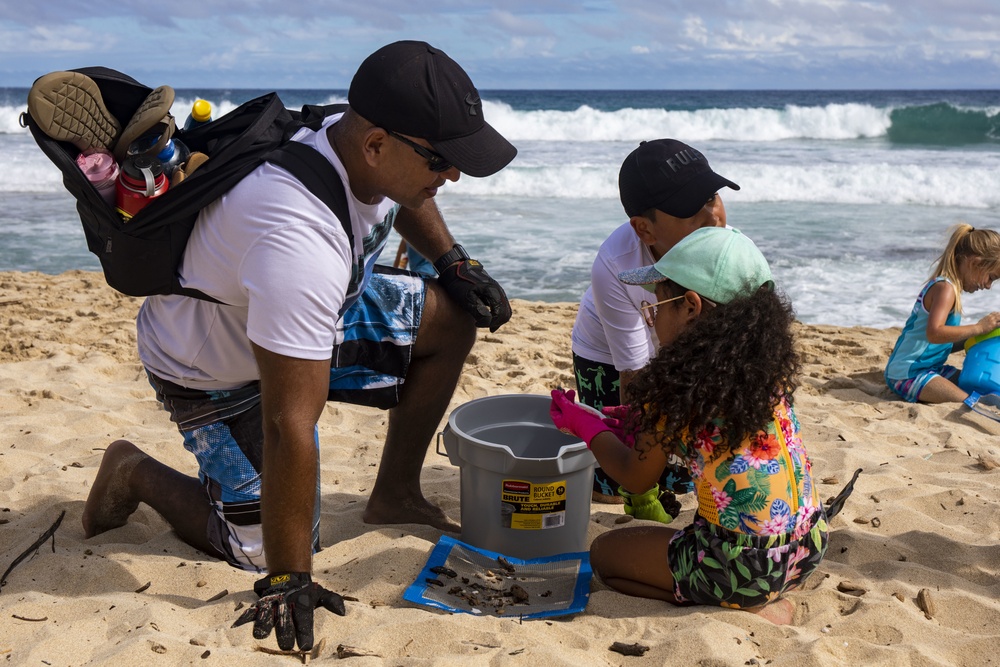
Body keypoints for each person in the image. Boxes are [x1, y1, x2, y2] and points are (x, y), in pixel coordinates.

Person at [81, 41, 517, 651]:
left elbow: (407, 194)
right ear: (376, 145)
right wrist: (290, 580)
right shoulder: (298, 239)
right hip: (212, 368)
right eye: (444, 159)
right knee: (267, 547)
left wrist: (453, 261)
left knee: (448, 322)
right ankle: (134, 472)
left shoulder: (351, 130)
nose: (455, 174)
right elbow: (290, 421)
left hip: (310, 311)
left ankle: (395, 495)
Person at [551, 227, 831, 624]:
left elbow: (635, 477)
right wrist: (640, 421)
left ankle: (744, 604)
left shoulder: (673, 386)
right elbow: (720, 442)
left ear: (691, 307)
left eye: (657, 305)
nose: (652, 319)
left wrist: (584, 425)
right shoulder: (767, 375)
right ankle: (761, 593)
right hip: (807, 547)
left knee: (605, 555)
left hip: (744, 565)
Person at [570, 138, 739, 516]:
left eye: (712, 197)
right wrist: (640, 470)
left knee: (684, 473)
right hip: (607, 355)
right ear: (644, 229)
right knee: (617, 482)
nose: (713, 217)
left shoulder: (725, 247)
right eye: (689, 211)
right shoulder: (615, 264)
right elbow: (635, 375)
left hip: (679, 345)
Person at [885, 223, 1000, 403]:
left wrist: (984, 334)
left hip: (933, 368)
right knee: (971, 402)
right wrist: (978, 327)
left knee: (980, 386)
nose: (987, 286)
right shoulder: (945, 289)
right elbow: (935, 333)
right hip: (907, 374)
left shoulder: (949, 289)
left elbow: (940, 343)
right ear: (975, 263)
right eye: (991, 277)